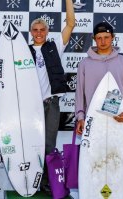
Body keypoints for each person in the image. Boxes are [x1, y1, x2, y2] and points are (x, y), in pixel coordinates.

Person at [28, 0, 75, 193]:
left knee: (48, 145)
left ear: (47, 31)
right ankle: (31, 182)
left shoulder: (55, 45)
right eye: (35, 30)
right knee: (31, 145)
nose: (39, 33)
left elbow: (71, 24)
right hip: (30, 106)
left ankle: (46, 184)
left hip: (51, 104)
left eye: (42, 29)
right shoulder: (23, 50)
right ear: (31, 32)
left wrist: (68, 1)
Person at [75, 22, 123, 134]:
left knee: (116, 152)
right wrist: (80, 117)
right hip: (92, 120)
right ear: (94, 39)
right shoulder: (84, 64)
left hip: (118, 119)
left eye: (106, 37)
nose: (103, 41)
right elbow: (80, 94)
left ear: (113, 37)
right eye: (99, 38)